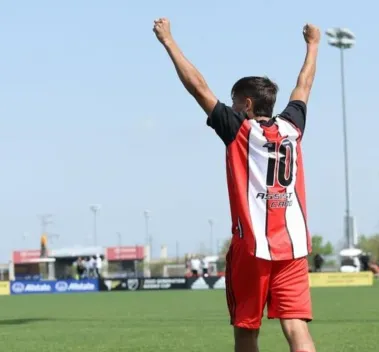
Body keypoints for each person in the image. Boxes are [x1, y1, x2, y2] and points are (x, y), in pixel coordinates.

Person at [153, 18, 320, 352]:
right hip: (294, 246)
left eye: (233, 101)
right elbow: (303, 86)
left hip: (253, 246)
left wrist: (169, 42)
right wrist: (313, 46)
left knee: (247, 329)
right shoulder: (291, 128)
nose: (228, 106)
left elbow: (198, 88)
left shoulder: (239, 130)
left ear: (246, 105)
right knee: (296, 328)